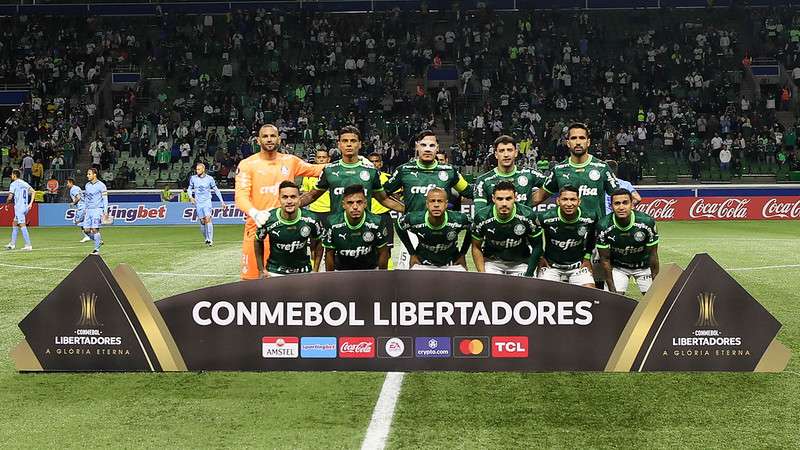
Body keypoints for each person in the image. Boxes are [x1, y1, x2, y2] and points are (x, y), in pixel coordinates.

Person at [234, 124, 324, 280]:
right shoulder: (247, 164)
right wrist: (255, 213)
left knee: (287, 286)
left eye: (273, 136)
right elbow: (240, 196)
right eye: (265, 136)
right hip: (257, 229)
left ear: (279, 139)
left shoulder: (290, 161)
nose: (269, 139)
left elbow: (317, 170)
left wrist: (349, 163)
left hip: (286, 233)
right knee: (250, 283)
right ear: (258, 140)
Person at [384, 130, 471, 268]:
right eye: (423, 145)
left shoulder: (449, 171)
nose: (427, 149)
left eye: (431, 145)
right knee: (410, 280)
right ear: (417, 147)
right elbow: (382, 193)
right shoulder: (404, 170)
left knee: (446, 280)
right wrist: (402, 208)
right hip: (412, 231)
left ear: (437, 148)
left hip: (442, 231)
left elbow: (469, 192)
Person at [299, 126, 403, 214]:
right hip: (338, 228)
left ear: (360, 144)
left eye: (353, 141)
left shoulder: (371, 171)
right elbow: (312, 196)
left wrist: (410, 210)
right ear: (339, 144)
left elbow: (383, 199)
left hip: (365, 229)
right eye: (345, 141)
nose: (349, 144)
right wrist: (288, 206)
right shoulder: (329, 170)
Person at [532, 123, 618, 219]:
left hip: (595, 231)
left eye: (582, 138)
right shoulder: (559, 170)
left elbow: (620, 197)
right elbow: (538, 197)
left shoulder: (602, 168)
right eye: (573, 138)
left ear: (588, 142)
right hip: (567, 230)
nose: (578, 142)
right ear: (568, 143)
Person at [471, 181, 542, 276]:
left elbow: (537, 246)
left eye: (508, 199)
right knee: (489, 289)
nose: (504, 203)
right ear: (493, 199)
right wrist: (483, 274)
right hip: (493, 262)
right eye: (500, 199)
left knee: (523, 289)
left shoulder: (528, 215)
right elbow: (476, 247)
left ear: (515, 198)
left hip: (520, 262)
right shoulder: (482, 217)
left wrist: (529, 273)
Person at [597, 188, 660, 296]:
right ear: (611, 206)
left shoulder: (647, 222)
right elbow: (605, 260)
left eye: (625, 203)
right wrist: (612, 291)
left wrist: (657, 284)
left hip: (643, 267)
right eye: (617, 203)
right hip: (619, 267)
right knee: (614, 301)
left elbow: (653, 255)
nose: (621, 207)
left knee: (654, 301)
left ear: (632, 204)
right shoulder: (603, 225)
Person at [531, 185, 597, 287]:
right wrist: (541, 256)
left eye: (573, 199)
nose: (569, 204)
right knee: (544, 294)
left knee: (590, 291)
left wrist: (587, 257)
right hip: (551, 266)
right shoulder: (545, 217)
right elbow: (536, 238)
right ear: (558, 201)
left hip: (577, 267)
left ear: (579, 201)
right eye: (565, 199)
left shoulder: (590, 217)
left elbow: (592, 237)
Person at [254, 181, 323, 277]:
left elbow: (319, 241)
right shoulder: (268, 219)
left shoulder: (312, 219)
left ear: (299, 198)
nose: (289, 201)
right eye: (285, 197)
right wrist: (261, 270)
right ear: (279, 199)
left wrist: (315, 269)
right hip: (275, 272)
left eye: (293, 197)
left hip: (303, 271)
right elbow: (258, 240)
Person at [396, 187, 472, 271]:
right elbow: (398, 226)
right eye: (432, 201)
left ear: (446, 204)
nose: (436, 205)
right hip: (422, 263)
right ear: (427, 204)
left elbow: (473, 227)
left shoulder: (459, 219)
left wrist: (463, 253)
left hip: (452, 263)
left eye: (440, 201)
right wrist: (412, 253)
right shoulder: (415, 219)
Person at [322, 184, 389, 271]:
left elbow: (383, 252)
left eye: (359, 202)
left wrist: (382, 277)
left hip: (370, 270)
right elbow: (329, 254)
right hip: (341, 271)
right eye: (350, 203)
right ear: (343, 205)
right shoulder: (331, 223)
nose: (355, 207)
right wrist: (330, 279)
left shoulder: (377, 222)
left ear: (365, 203)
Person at [473, 135, 547, 207]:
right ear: (496, 154)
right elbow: (480, 214)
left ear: (516, 153)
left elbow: (552, 184)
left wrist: (533, 200)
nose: (506, 154)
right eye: (502, 151)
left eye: (509, 150)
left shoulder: (529, 174)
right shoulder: (483, 180)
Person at [301, 148, 332, 270]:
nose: (321, 160)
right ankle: (315, 267)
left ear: (328, 159)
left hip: (330, 213)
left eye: (323, 158)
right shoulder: (308, 176)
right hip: (314, 212)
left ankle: (329, 267)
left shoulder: (333, 174)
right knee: (313, 243)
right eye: (319, 158)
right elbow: (305, 193)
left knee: (330, 243)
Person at [368, 152, 396, 268]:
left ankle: (388, 276)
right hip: (368, 217)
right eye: (371, 162)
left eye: (376, 161)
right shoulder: (362, 178)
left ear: (381, 163)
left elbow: (396, 198)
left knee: (387, 249)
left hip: (384, 217)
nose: (374, 164)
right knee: (368, 250)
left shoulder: (388, 178)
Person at [188, 162, 226, 246]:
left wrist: (222, 201)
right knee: (202, 221)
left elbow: (216, 190)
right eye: (196, 169)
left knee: (208, 218)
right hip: (198, 202)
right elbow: (189, 188)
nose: (197, 171)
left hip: (207, 201)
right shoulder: (193, 178)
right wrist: (191, 197)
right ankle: (206, 238)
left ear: (203, 169)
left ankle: (210, 240)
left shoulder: (210, 179)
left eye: (198, 169)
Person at [5, 170, 35, 250]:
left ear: (14, 175)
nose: (11, 176)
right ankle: (12, 244)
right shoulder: (24, 183)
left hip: (19, 207)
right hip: (25, 207)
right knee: (14, 223)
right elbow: (33, 191)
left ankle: (28, 245)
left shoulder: (13, 184)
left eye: (12, 174)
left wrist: (6, 203)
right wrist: (30, 203)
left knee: (22, 225)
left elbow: (10, 197)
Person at [83, 167, 109, 255]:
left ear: (94, 175)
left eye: (89, 174)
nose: (87, 175)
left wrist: (105, 211)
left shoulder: (101, 185)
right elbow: (86, 198)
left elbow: (105, 199)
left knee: (94, 229)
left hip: (97, 210)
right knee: (86, 230)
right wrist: (85, 209)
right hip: (88, 210)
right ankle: (99, 240)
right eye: (87, 174)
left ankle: (96, 249)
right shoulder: (87, 185)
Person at [66, 178, 92, 243]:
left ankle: (88, 235)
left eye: (68, 183)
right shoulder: (77, 187)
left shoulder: (73, 189)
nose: (67, 184)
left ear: (71, 182)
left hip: (81, 207)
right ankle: (90, 233)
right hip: (84, 206)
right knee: (84, 221)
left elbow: (78, 197)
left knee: (77, 221)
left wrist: (73, 203)